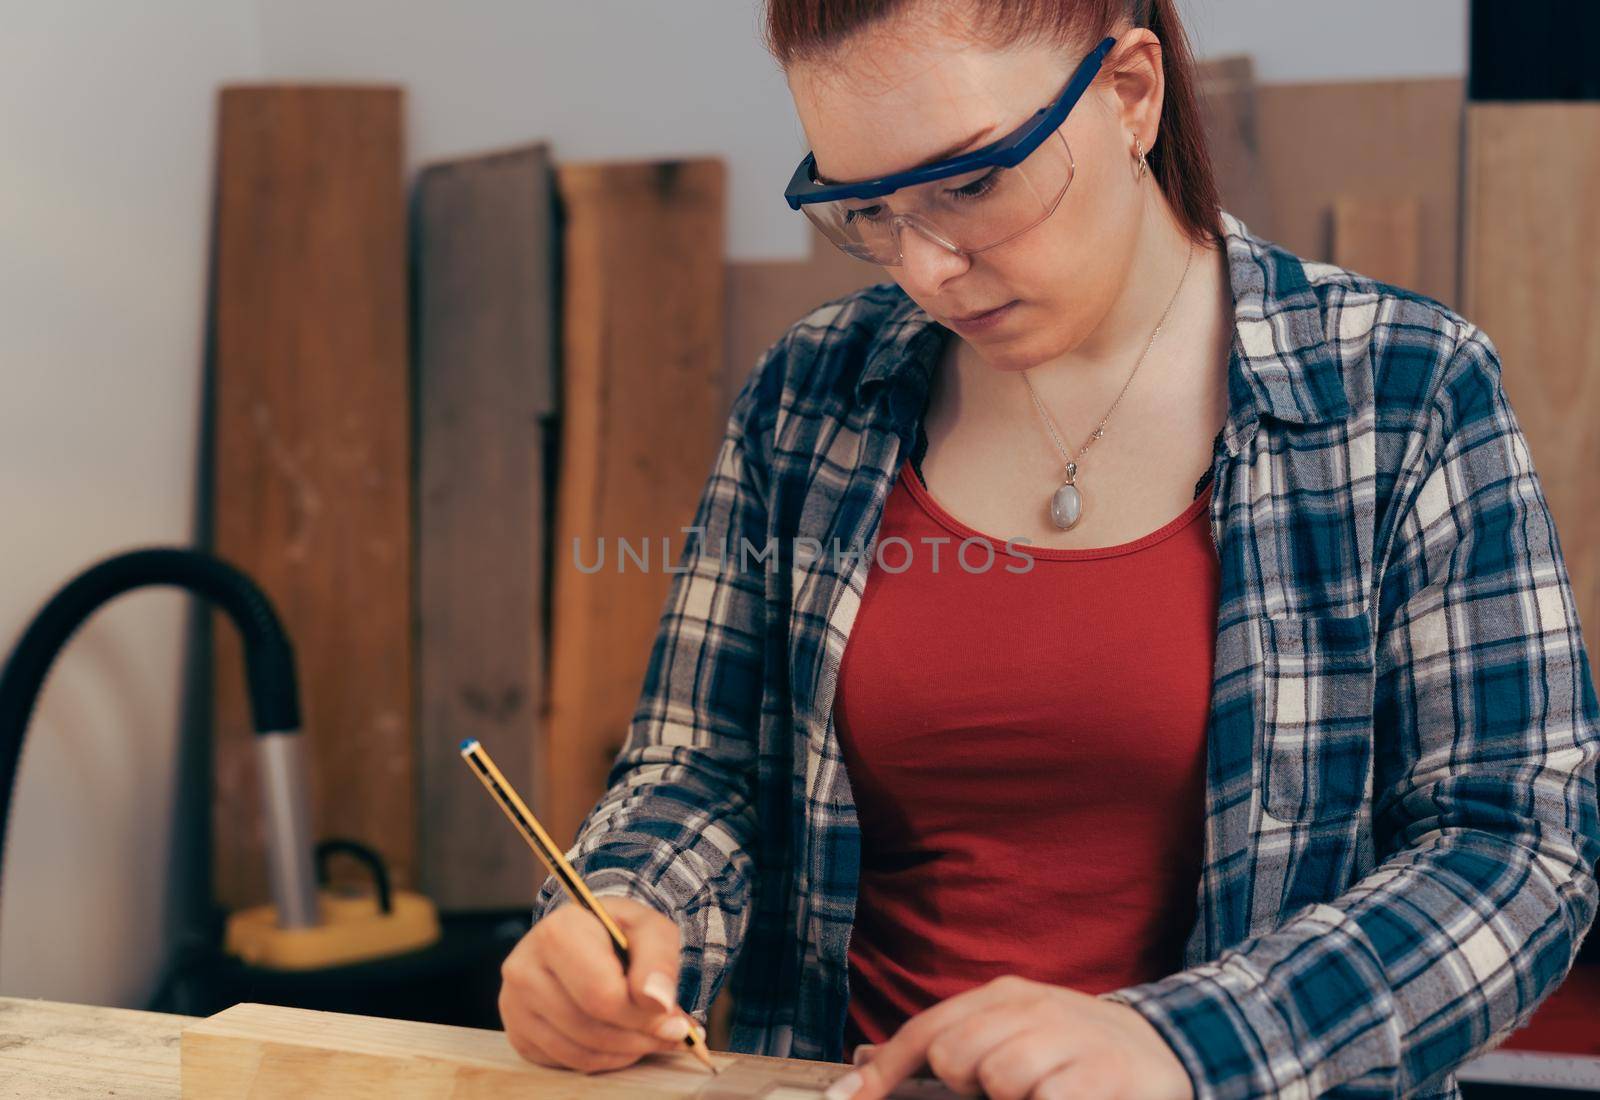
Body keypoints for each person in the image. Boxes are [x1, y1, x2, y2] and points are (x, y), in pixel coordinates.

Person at [497, 2, 1600, 1097]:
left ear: (1129, 92)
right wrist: (624, 914)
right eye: (866, 208)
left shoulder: (1400, 387)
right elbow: (699, 768)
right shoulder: (811, 393)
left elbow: (1517, 854)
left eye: (972, 184)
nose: (924, 269)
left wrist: (1178, 1044)